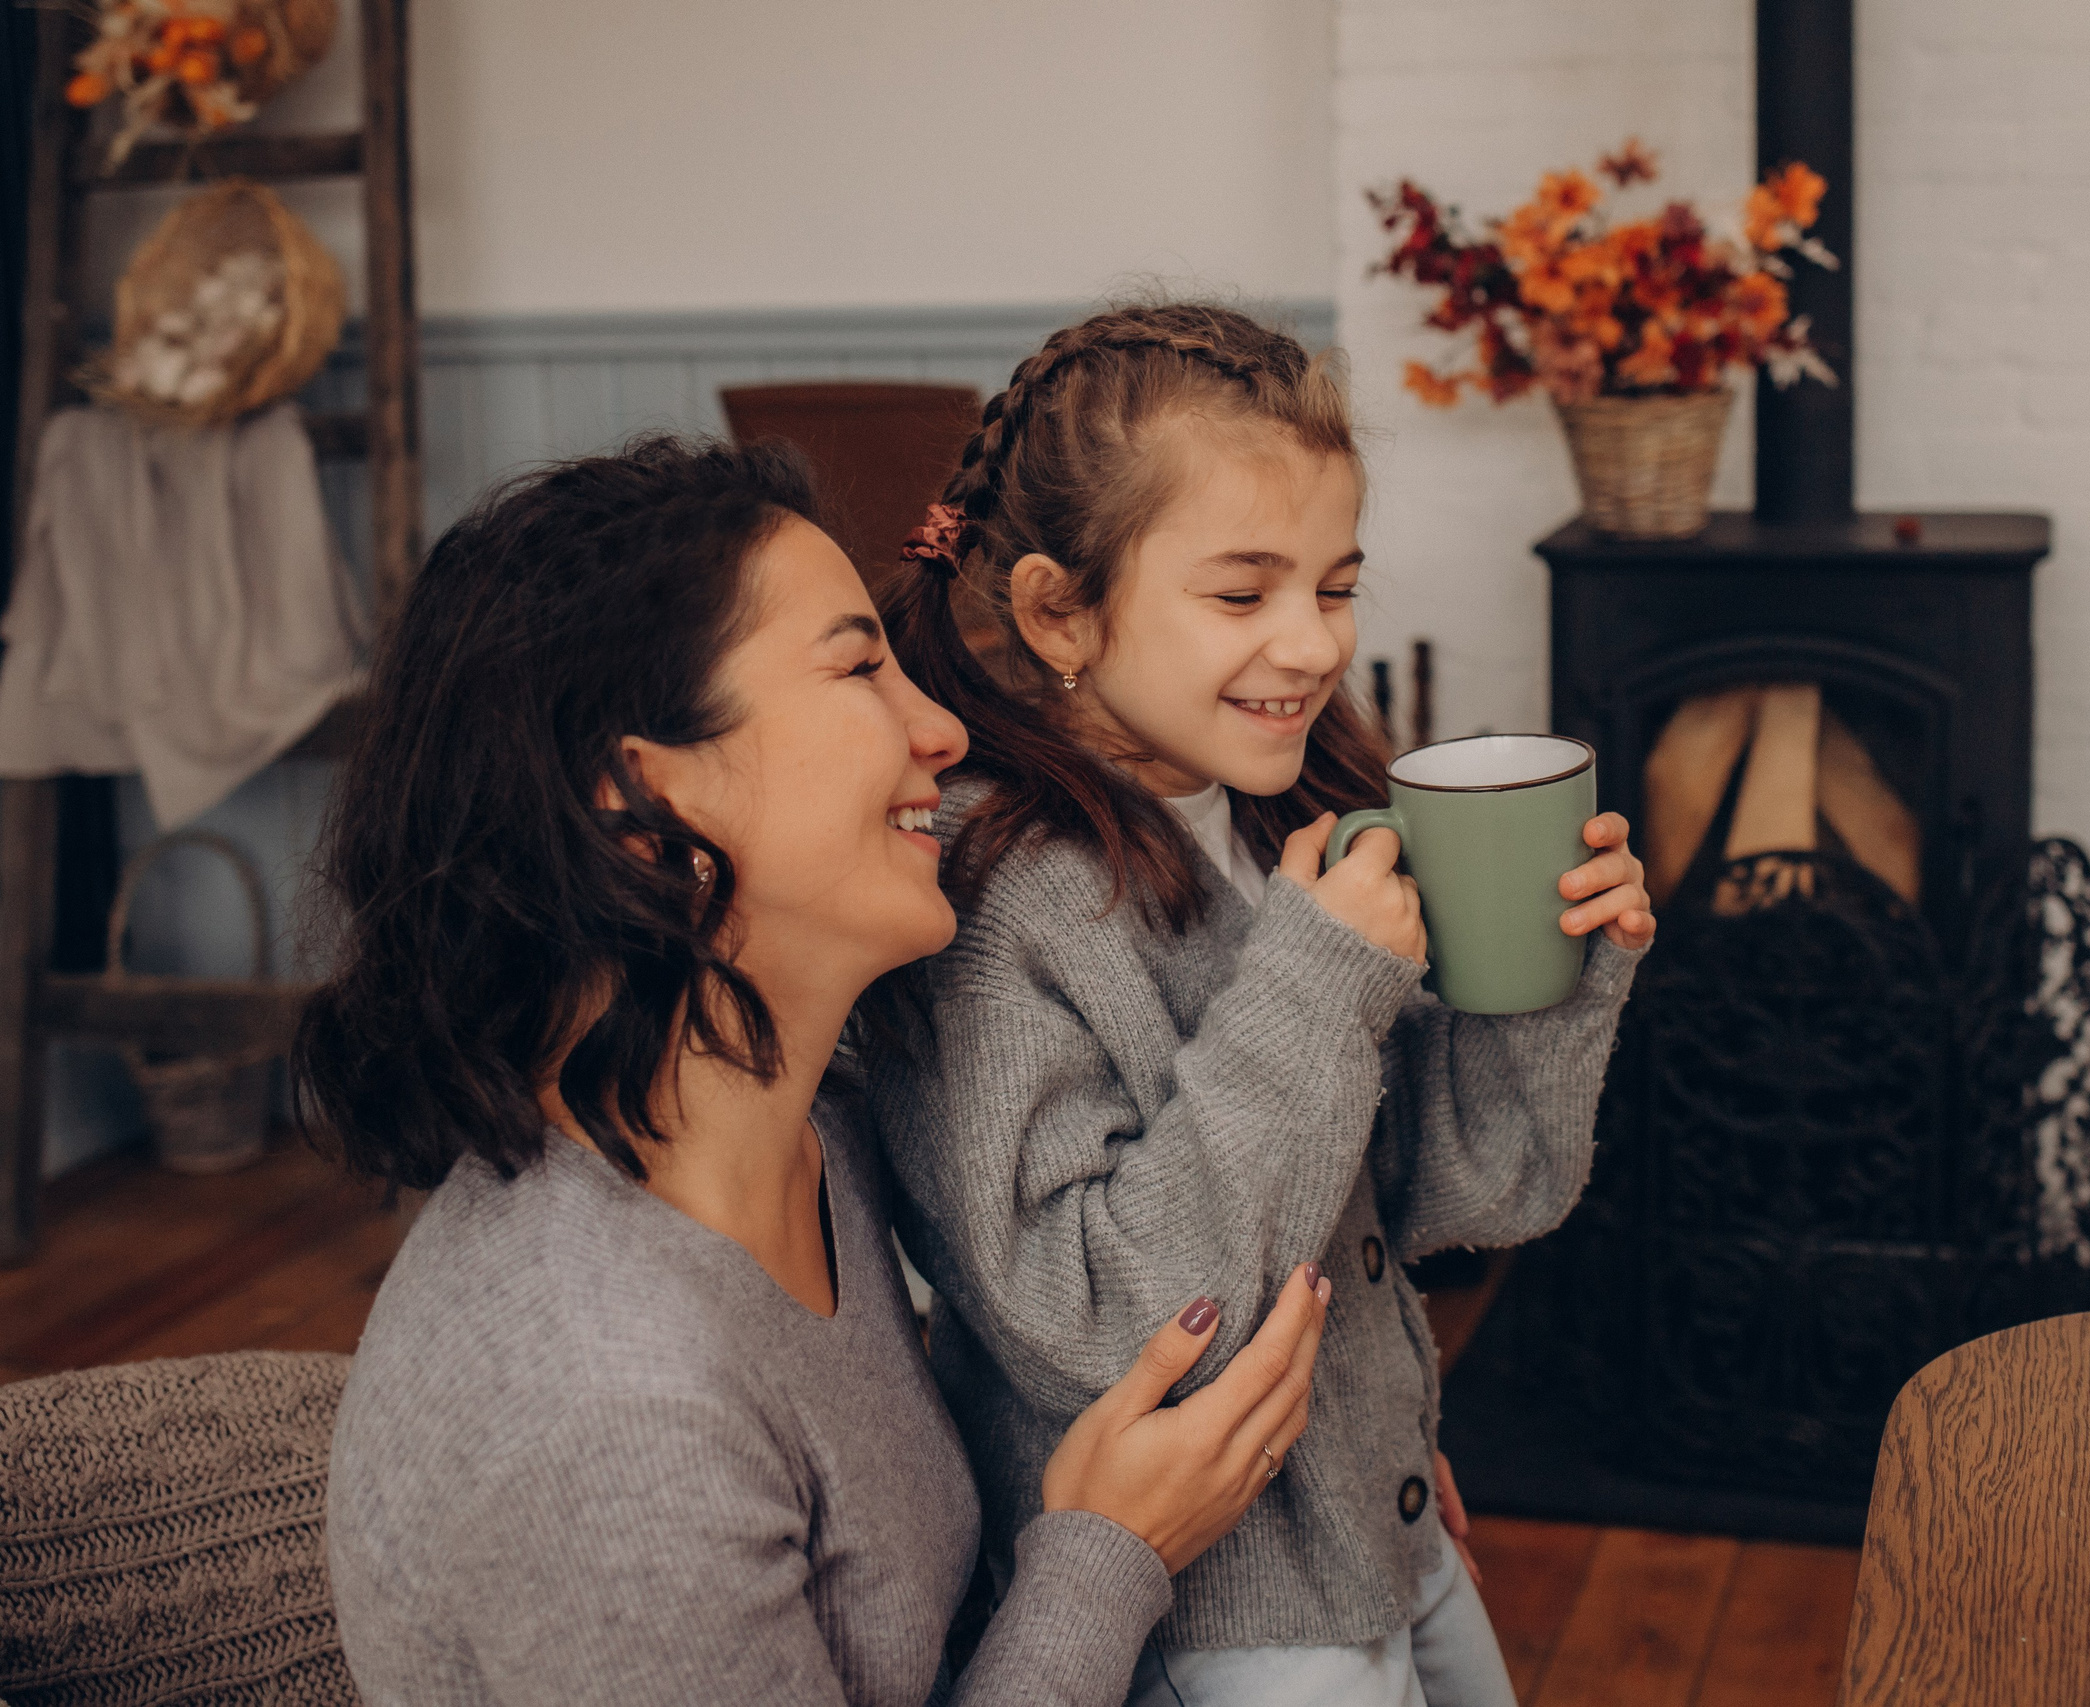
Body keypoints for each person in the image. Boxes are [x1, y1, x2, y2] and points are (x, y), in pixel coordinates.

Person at [301, 435, 1330, 1705]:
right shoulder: (612, 1408)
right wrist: (1109, 1557)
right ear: (640, 797)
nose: (944, 729)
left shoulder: (816, 1135)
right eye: (858, 667)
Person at [865, 303, 1655, 1707]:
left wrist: (1544, 980)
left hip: (1379, 1525)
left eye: (1335, 586)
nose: (1309, 645)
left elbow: (1454, 1190)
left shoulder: (1268, 817)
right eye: (1242, 594)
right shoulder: (995, 905)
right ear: (1061, 609)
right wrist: (1315, 975)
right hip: (1217, 1612)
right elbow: (1096, 1317)